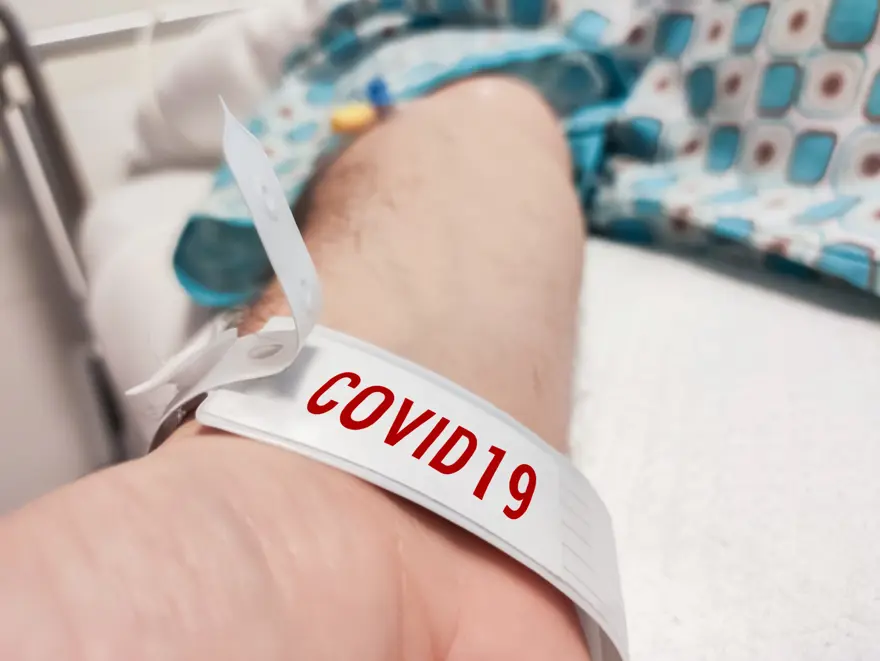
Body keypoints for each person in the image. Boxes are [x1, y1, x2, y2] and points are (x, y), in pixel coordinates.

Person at [0, 77, 594, 660]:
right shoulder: (415, 64)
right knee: (489, 111)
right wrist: (280, 478)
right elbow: (475, 132)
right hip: (462, 99)